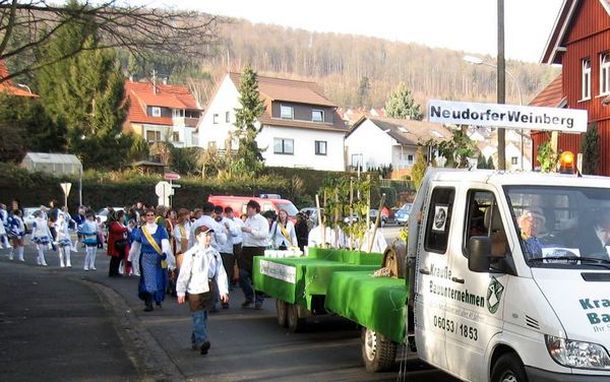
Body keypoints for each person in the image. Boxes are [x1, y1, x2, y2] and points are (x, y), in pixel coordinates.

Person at [176, 224, 229, 355]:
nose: (209, 237)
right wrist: (180, 291)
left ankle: (195, 340)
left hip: (209, 288)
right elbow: (184, 274)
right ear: (198, 237)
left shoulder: (215, 253)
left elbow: (220, 273)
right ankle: (202, 341)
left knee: (203, 316)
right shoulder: (191, 254)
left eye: (210, 235)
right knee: (198, 316)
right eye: (206, 235)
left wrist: (223, 290)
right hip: (195, 288)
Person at [128, 208, 175, 312]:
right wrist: (130, 257)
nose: (150, 217)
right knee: (148, 280)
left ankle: (157, 299)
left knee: (159, 279)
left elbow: (165, 243)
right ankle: (149, 302)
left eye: (152, 215)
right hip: (146, 258)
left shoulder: (160, 229)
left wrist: (165, 253)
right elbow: (135, 245)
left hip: (158, 258)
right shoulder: (141, 230)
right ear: (145, 217)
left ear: (155, 216)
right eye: (148, 215)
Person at [239, 200, 269, 309]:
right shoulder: (247, 219)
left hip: (257, 249)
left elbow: (264, 235)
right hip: (246, 249)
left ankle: (259, 299)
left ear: (254, 209)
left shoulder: (262, 220)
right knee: (242, 275)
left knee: (257, 276)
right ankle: (249, 296)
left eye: (248, 209)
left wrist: (251, 230)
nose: (247, 211)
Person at [214, 205, 240, 308]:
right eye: (216, 214)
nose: (218, 216)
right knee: (215, 275)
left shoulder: (228, 222)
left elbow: (236, 234)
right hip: (215, 251)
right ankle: (215, 300)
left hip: (227, 252)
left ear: (223, 213)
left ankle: (225, 299)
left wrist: (229, 228)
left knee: (226, 276)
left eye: (220, 213)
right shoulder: (212, 222)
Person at [107, 210, 128, 277]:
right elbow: (117, 230)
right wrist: (127, 229)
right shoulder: (114, 224)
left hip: (121, 243)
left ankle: (116, 271)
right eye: (123, 216)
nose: (124, 217)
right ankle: (112, 272)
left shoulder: (122, 224)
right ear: (120, 217)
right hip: (115, 243)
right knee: (115, 258)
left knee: (119, 258)